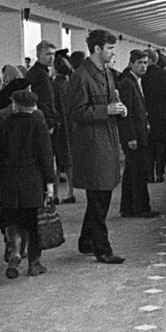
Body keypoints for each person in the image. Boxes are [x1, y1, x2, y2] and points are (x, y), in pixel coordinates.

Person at [66, 29, 127, 264]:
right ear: (97, 49)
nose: (113, 52)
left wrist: (119, 108)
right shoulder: (80, 77)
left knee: (100, 194)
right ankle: (103, 249)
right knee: (99, 194)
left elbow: (111, 101)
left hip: (106, 139)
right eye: (110, 49)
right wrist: (107, 110)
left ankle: (85, 240)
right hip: (92, 145)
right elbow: (75, 112)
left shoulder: (107, 73)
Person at [0, 90, 56, 279]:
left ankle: (15, 248)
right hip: (32, 181)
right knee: (33, 223)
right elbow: (46, 155)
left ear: (15, 105)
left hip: (9, 181)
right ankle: (34, 264)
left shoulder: (4, 125)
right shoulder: (38, 124)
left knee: (11, 218)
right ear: (33, 107)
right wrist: (50, 182)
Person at [118, 50, 160, 218]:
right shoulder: (128, 83)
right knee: (140, 173)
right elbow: (125, 113)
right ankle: (142, 208)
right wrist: (131, 137)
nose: (143, 66)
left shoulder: (134, 81)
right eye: (140, 63)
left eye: (145, 63)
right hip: (134, 136)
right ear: (131, 63)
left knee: (130, 173)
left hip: (139, 132)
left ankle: (127, 208)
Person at [141, 49, 166, 182]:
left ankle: (149, 174)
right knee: (160, 146)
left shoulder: (142, 77)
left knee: (148, 146)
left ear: (149, 60)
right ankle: (160, 174)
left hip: (147, 115)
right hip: (161, 115)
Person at [52, 51, 75, 204]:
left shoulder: (54, 85)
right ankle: (70, 191)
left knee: (56, 161)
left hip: (59, 126)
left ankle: (54, 194)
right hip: (71, 126)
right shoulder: (70, 84)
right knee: (68, 161)